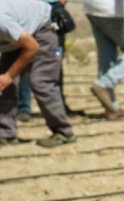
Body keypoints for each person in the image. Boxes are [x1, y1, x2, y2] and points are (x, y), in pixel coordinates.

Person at [0, 0, 74, 147]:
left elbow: (32, 47)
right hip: (18, 33)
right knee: (5, 84)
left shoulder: (2, 21)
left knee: (41, 81)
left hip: (44, 27)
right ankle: (5, 134)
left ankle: (63, 132)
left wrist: (9, 76)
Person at [84, 0, 124, 120]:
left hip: (92, 8)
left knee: (106, 54)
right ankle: (105, 83)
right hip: (115, 10)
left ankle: (112, 108)